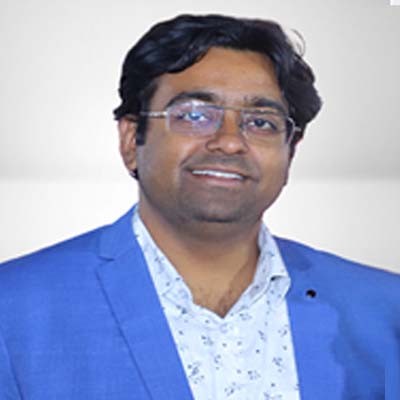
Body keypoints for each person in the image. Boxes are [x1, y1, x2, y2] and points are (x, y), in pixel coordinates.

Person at [0, 14, 399, 400]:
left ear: (290, 152)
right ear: (131, 140)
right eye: (194, 115)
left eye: (261, 122)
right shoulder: (14, 309)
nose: (229, 141)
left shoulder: (384, 311)